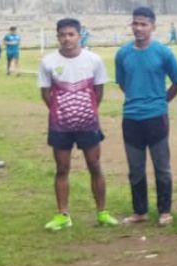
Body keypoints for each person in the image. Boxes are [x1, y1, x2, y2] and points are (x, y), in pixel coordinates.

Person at [39, 18, 119, 230]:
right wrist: (61, 112)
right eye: (63, 35)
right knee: (62, 168)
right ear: (58, 37)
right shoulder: (48, 62)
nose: (67, 39)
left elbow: (99, 91)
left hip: (88, 123)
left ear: (79, 35)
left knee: (94, 166)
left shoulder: (94, 60)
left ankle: (102, 212)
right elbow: (46, 93)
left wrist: (87, 112)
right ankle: (63, 214)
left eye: (71, 34)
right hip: (60, 126)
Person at [115, 6, 177, 226]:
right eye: (135, 23)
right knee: (135, 167)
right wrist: (137, 98)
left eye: (143, 24)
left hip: (156, 117)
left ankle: (164, 210)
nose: (138, 28)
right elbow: (123, 82)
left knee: (161, 166)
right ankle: (140, 211)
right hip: (131, 118)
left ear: (153, 26)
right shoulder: (123, 53)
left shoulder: (163, 53)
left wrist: (161, 102)